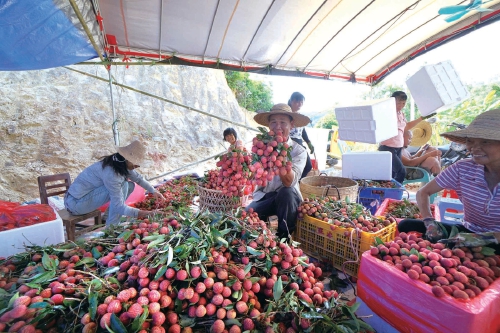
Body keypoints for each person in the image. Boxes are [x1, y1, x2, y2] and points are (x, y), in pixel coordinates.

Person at [398, 110, 500, 248]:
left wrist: (485, 239)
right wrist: (429, 222)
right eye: (470, 141)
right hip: (467, 232)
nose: (475, 148)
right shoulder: (462, 168)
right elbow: (423, 192)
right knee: (406, 225)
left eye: (485, 142)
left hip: (496, 239)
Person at [65, 140, 166, 226]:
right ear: (127, 159)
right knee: (123, 186)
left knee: (129, 185)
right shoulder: (112, 174)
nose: (137, 166)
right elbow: (118, 206)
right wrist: (146, 213)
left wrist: (154, 191)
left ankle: (108, 217)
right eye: (136, 162)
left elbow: (138, 178)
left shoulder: (118, 163)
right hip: (75, 204)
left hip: (80, 199)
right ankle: (112, 226)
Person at [246, 103, 309, 239]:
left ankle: (284, 239)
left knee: (286, 193)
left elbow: (289, 183)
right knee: (245, 216)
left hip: (287, 200)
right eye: (274, 122)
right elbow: (252, 175)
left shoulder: (299, 151)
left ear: (291, 125)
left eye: (283, 122)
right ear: (268, 126)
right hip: (265, 197)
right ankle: (264, 237)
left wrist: (281, 154)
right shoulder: (262, 146)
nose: (278, 126)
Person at [378, 91, 434, 183]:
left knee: (392, 173)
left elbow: (406, 127)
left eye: (403, 103)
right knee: (401, 171)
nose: (401, 105)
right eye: (398, 103)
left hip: (398, 147)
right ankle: (396, 191)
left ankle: (391, 192)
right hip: (387, 147)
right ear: (392, 102)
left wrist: (421, 118)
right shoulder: (387, 113)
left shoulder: (401, 114)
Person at [288, 92, 314, 179]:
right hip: (289, 144)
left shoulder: (299, 116)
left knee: (308, 166)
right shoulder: (286, 114)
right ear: (291, 101)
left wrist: (309, 142)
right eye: (297, 101)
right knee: (290, 167)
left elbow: (303, 131)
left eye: (301, 102)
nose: (300, 104)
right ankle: (291, 183)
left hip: (299, 144)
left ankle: (296, 182)